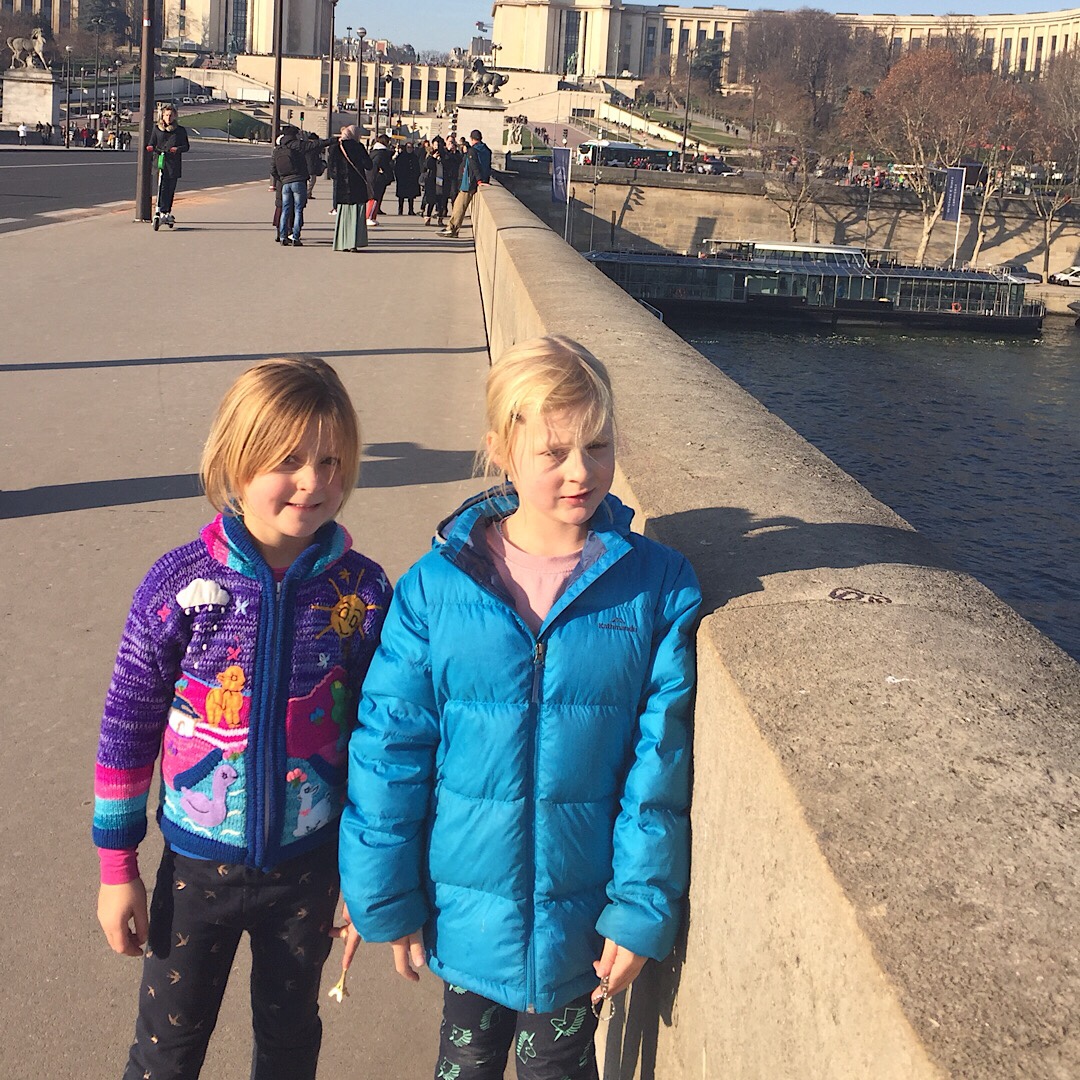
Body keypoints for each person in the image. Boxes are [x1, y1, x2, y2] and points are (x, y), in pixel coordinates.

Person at [338, 336, 701, 1080]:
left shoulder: (657, 585)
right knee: (463, 1065)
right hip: (467, 911)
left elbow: (658, 765)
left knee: (558, 1069)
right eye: (554, 452)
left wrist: (640, 905)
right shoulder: (436, 588)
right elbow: (390, 747)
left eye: (598, 446)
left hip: (580, 919)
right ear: (502, 450)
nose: (581, 471)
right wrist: (384, 894)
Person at [93, 355, 392, 1080]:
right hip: (197, 869)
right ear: (234, 461)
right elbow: (128, 726)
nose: (313, 481)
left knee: (289, 1048)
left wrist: (370, 871)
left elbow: (382, 740)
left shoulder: (362, 592)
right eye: (288, 461)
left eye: (330, 461)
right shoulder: (179, 583)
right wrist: (117, 868)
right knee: (165, 1053)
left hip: (310, 870)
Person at [440, 128, 492, 238]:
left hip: (470, 182)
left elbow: (474, 166)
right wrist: (484, 179)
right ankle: (452, 228)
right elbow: (487, 166)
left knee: (459, 205)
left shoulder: (473, 150)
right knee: (459, 204)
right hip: (481, 180)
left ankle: (452, 228)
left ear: (472, 139)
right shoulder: (487, 150)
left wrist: (479, 180)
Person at [328, 124, 372, 252]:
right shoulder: (358, 147)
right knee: (356, 216)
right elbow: (368, 165)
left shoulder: (336, 147)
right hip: (357, 186)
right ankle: (354, 243)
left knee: (343, 216)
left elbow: (331, 169)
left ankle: (342, 243)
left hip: (342, 188)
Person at [146, 105, 190, 224]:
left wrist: (177, 149)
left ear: (175, 116)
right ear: (162, 116)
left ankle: (166, 211)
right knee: (161, 186)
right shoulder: (157, 129)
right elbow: (152, 142)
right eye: (166, 115)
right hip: (160, 162)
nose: (168, 117)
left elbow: (186, 146)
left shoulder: (180, 130)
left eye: (171, 115)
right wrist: (150, 147)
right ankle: (159, 209)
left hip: (173, 163)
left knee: (170, 188)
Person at [271, 124, 309, 246]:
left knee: (285, 210)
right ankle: (295, 237)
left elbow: (272, 170)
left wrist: (282, 179)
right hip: (298, 181)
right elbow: (314, 146)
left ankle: (283, 237)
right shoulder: (298, 148)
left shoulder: (277, 150)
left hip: (285, 183)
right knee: (298, 210)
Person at [419, 136, 448, 226]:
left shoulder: (445, 155)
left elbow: (449, 165)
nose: (437, 147)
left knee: (441, 202)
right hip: (432, 180)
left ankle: (440, 219)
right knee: (431, 201)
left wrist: (442, 159)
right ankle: (428, 217)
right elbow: (426, 165)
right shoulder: (430, 154)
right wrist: (433, 158)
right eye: (435, 145)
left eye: (438, 145)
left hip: (442, 180)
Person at [367, 134, 393, 225]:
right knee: (374, 198)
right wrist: (382, 171)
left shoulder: (374, 151)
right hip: (377, 177)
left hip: (373, 176)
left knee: (375, 197)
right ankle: (369, 217)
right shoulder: (382, 153)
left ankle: (373, 217)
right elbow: (377, 163)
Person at [393, 140, 421, 215]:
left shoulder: (414, 156)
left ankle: (411, 210)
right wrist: (398, 177)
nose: (409, 149)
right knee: (401, 196)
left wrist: (416, 175)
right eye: (408, 147)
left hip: (411, 178)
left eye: (411, 147)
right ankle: (400, 210)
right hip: (402, 178)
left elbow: (417, 167)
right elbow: (397, 168)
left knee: (411, 196)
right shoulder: (401, 156)